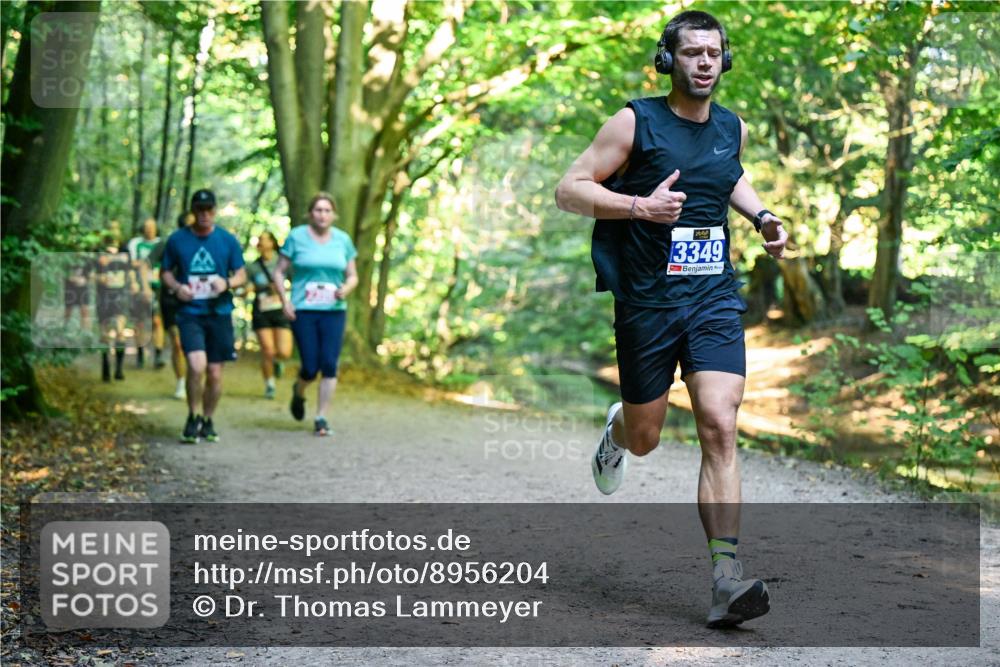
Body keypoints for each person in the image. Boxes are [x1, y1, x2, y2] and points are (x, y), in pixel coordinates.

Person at [554, 10, 789, 629]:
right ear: (669, 59)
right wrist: (638, 205)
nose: (705, 62)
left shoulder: (732, 128)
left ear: (725, 59)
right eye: (692, 53)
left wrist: (762, 217)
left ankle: (724, 581)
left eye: (714, 52)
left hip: (711, 296)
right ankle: (619, 430)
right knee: (647, 438)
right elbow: (570, 189)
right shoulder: (636, 121)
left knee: (719, 422)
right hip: (647, 302)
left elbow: (727, 178)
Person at [160, 190, 247, 444]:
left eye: (209, 210)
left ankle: (208, 419)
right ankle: (192, 415)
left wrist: (227, 282)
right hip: (190, 313)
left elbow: (241, 274)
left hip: (219, 312)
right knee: (196, 366)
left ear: (215, 211)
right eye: (200, 210)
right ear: (193, 211)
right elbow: (165, 272)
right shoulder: (177, 240)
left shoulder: (227, 240)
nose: (205, 215)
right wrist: (177, 288)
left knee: (215, 373)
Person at [272, 192, 357, 437]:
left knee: (329, 364)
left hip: (333, 310)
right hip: (304, 310)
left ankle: (321, 417)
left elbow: (353, 275)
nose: (322, 214)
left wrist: (346, 289)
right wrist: (285, 300)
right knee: (310, 366)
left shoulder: (343, 240)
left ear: (334, 215)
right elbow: (279, 272)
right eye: (318, 210)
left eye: (327, 210)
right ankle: (299, 392)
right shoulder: (296, 237)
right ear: (310, 214)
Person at [150, 213, 193, 399]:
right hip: (170, 300)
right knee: (177, 342)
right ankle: (181, 381)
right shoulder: (167, 244)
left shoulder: (205, 244)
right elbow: (147, 265)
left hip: (196, 300)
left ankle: (195, 377)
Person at [246, 230, 293, 398]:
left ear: (272, 243)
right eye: (259, 240)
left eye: (264, 239)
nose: (260, 242)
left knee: (284, 351)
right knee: (267, 349)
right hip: (261, 311)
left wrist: (284, 288)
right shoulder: (252, 267)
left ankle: (277, 362)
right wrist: (252, 288)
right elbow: (245, 287)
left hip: (280, 310)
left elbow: (296, 283)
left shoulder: (283, 263)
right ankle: (270, 385)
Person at [94, 232, 137, 382]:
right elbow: (89, 274)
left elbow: (130, 271)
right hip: (103, 297)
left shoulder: (125, 254)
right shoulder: (98, 254)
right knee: (104, 334)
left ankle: (118, 369)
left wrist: (134, 283)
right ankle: (105, 365)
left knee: (120, 332)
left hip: (121, 296)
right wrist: (100, 278)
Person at [126, 217, 162, 369]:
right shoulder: (135, 243)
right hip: (138, 288)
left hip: (158, 287)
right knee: (139, 322)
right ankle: (140, 353)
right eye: (146, 227)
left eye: (152, 227)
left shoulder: (161, 244)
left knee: (157, 321)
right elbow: (131, 263)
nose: (149, 230)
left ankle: (158, 356)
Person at [63, 253, 92, 333]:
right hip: (70, 288)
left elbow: (90, 274)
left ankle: (85, 331)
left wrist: (85, 280)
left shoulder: (87, 260)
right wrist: (71, 278)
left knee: (85, 310)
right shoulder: (67, 259)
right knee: (68, 309)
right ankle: (65, 327)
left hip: (83, 289)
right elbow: (63, 273)